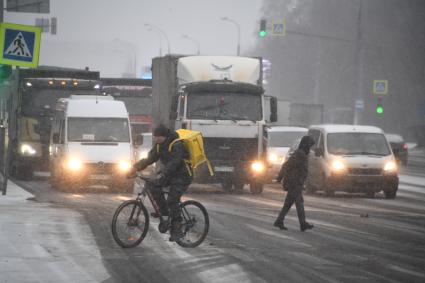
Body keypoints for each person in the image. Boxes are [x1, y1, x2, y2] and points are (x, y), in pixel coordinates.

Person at [128, 124, 192, 241]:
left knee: (172, 200)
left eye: (158, 137)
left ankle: (177, 230)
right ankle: (164, 213)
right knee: (153, 186)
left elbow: (175, 163)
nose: (156, 139)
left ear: (164, 136)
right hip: (170, 174)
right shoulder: (159, 146)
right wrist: (135, 168)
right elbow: (149, 159)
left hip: (182, 175)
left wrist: (163, 175)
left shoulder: (176, 144)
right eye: (155, 137)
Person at [273, 135, 315, 232]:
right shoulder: (299, 154)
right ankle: (303, 223)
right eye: (309, 145)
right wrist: (280, 177)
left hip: (296, 182)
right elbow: (286, 165)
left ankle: (279, 220)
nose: (310, 148)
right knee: (299, 203)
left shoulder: (302, 153)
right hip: (294, 182)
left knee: (288, 204)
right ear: (306, 145)